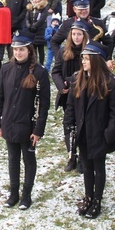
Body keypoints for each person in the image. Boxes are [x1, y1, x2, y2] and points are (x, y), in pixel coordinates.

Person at [0, 30, 50, 210]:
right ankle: (14, 193)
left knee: (28, 159)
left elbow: (44, 104)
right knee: (12, 159)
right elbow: (0, 97)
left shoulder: (40, 72)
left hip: (28, 125)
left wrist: (38, 130)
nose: (18, 53)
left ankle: (26, 195)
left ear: (29, 50)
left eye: (22, 50)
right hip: (9, 121)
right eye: (15, 49)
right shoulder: (6, 69)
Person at [64, 41, 115, 219]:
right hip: (83, 132)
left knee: (98, 168)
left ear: (96, 61)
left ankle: (97, 200)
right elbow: (71, 106)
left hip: (99, 133)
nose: (83, 62)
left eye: (87, 59)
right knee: (86, 167)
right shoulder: (77, 78)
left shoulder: (110, 82)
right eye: (83, 59)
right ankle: (88, 196)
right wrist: (69, 126)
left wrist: (109, 134)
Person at [51, 20, 89, 172]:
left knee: (82, 127)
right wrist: (61, 86)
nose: (76, 37)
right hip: (68, 95)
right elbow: (56, 72)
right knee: (68, 125)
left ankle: (81, 157)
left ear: (84, 36)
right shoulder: (63, 51)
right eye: (73, 34)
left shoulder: (89, 53)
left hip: (83, 94)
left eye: (79, 34)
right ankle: (71, 155)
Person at [26, 0, 49, 65]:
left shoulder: (43, 8)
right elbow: (27, 18)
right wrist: (29, 25)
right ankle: (34, 62)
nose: (35, 0)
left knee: (41, 49)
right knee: (33, 49)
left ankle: (41, 63)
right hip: (32, 31)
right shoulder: (30, 8)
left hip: (40, 31)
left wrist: (35, 26)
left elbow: (42, 19)